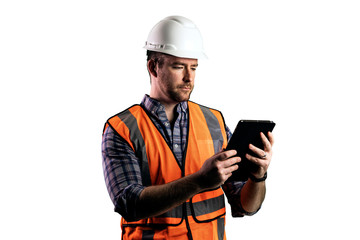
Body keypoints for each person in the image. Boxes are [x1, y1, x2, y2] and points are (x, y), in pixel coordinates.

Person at [102, 16, 274, 240]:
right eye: (179, 66)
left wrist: (258, 177)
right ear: (153, 67)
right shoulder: (122, 128)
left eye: (193, 67)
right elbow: (129, 203)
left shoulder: (214, 121)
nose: (188, 77)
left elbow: (244, 206)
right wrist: (200, 180)